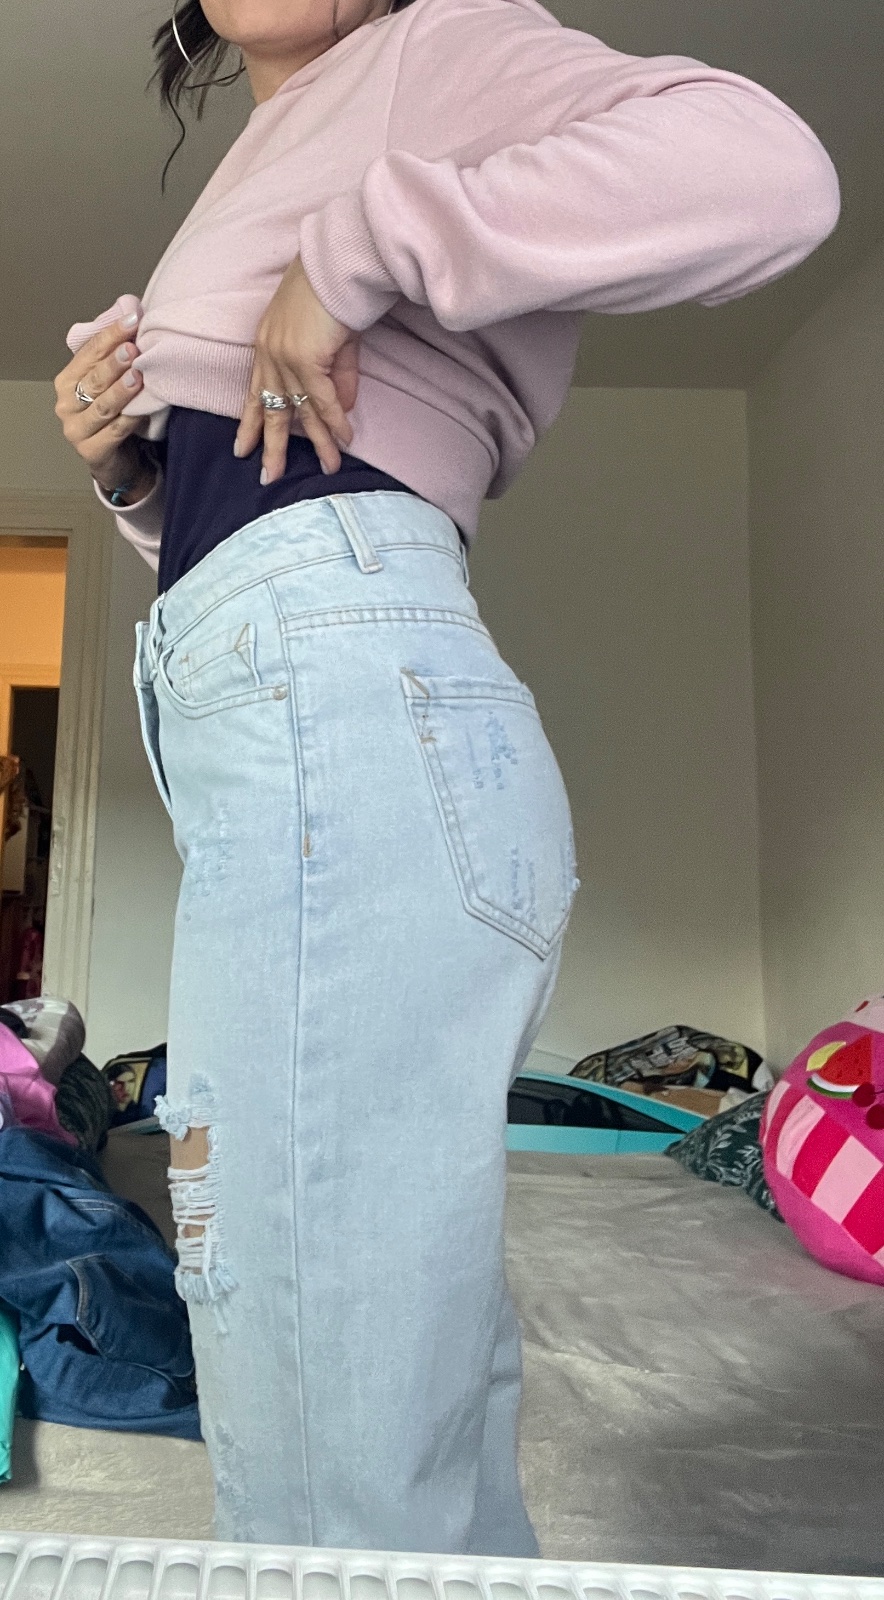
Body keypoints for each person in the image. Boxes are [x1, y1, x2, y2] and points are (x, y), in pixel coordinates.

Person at [52, 0, 839, 1557]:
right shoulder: (281, 135)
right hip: (282, 706)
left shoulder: (436, 46)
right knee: (309, 1318)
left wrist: (356, 251)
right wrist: (133, 471)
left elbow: (771, 170)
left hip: (338, 702)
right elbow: (274, 502)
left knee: (321, 1355)